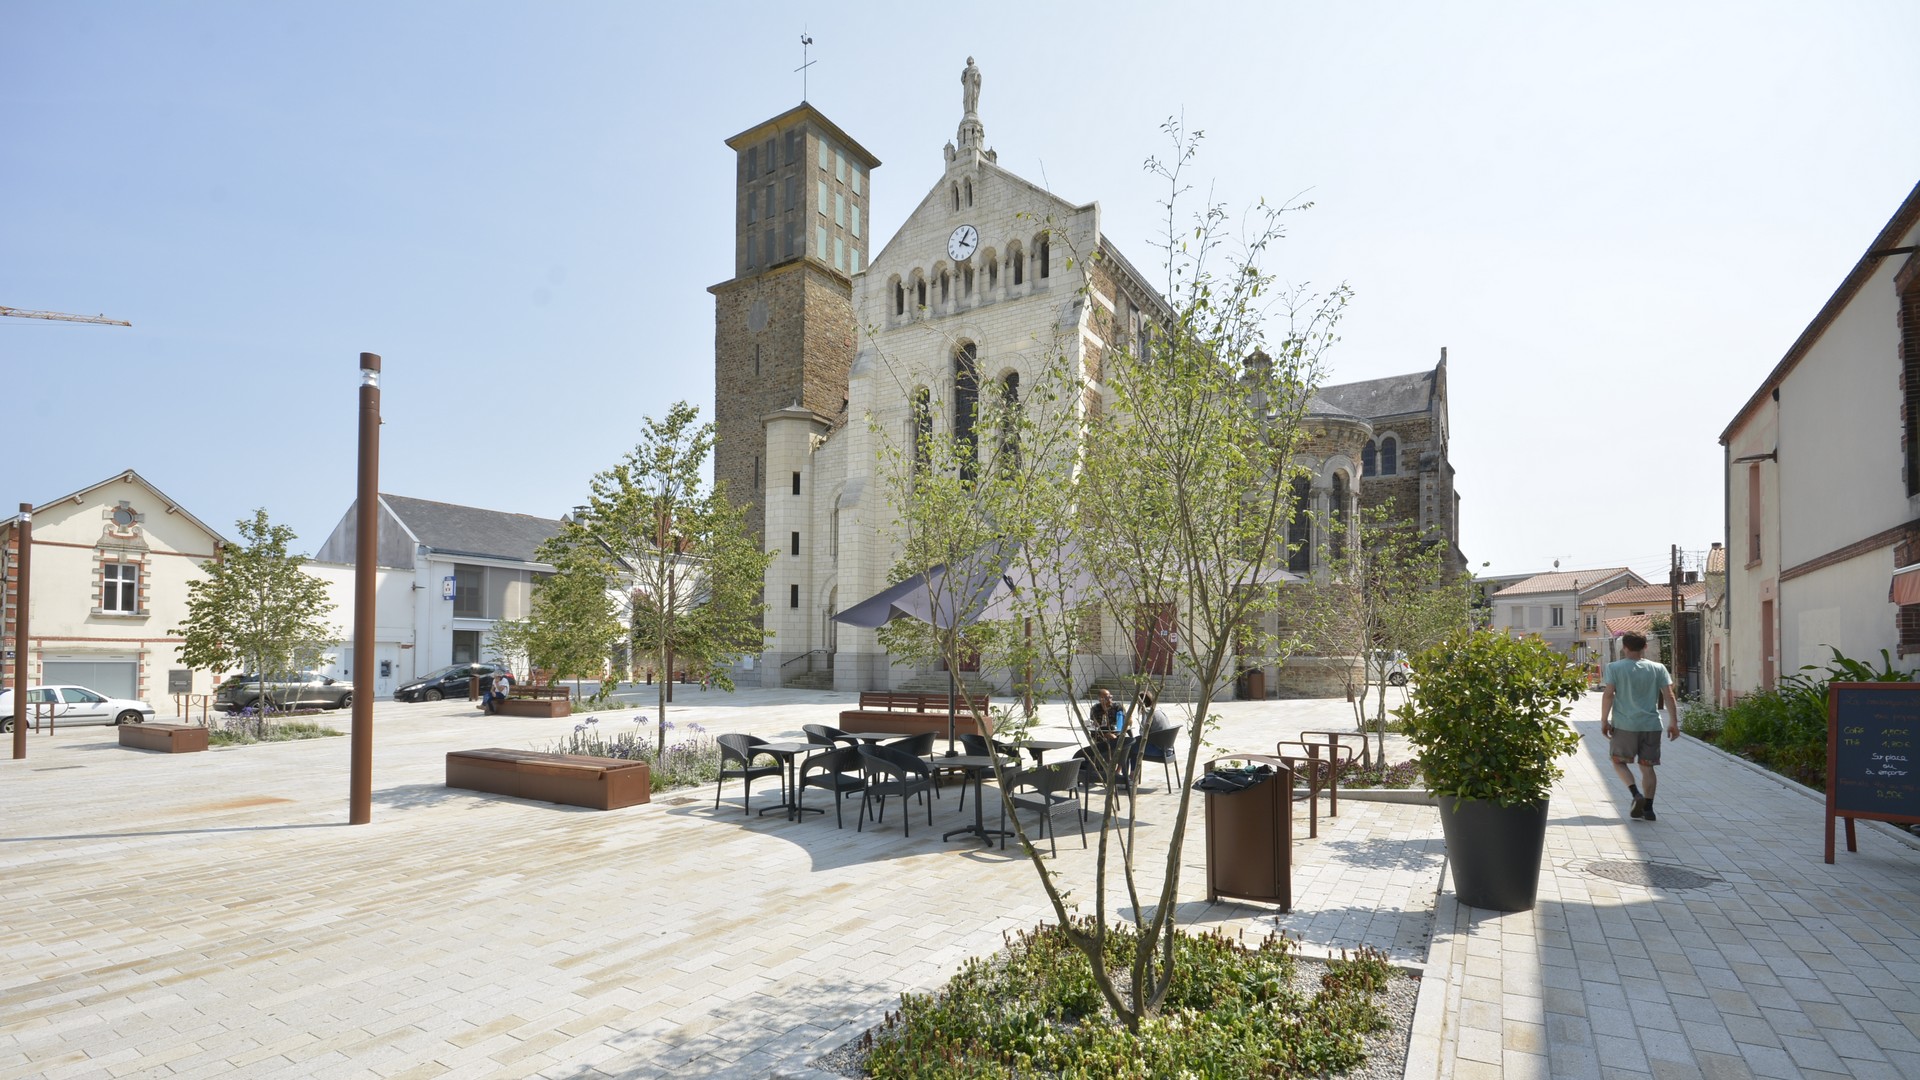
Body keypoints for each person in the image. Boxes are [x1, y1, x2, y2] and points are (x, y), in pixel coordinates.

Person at [1599, 631, 1680, 821]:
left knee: (1618, 761)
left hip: (1625, 725)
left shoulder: (1614, 668)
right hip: (1651, 725)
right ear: (1645, 647)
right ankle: (1649, 809)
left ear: (1624, 647)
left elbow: (1609, 694)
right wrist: (1673, 722)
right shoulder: (1658, 668)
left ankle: (1636, 794)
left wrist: (1604, 720)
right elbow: (1669, 696)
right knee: (1648, 767)